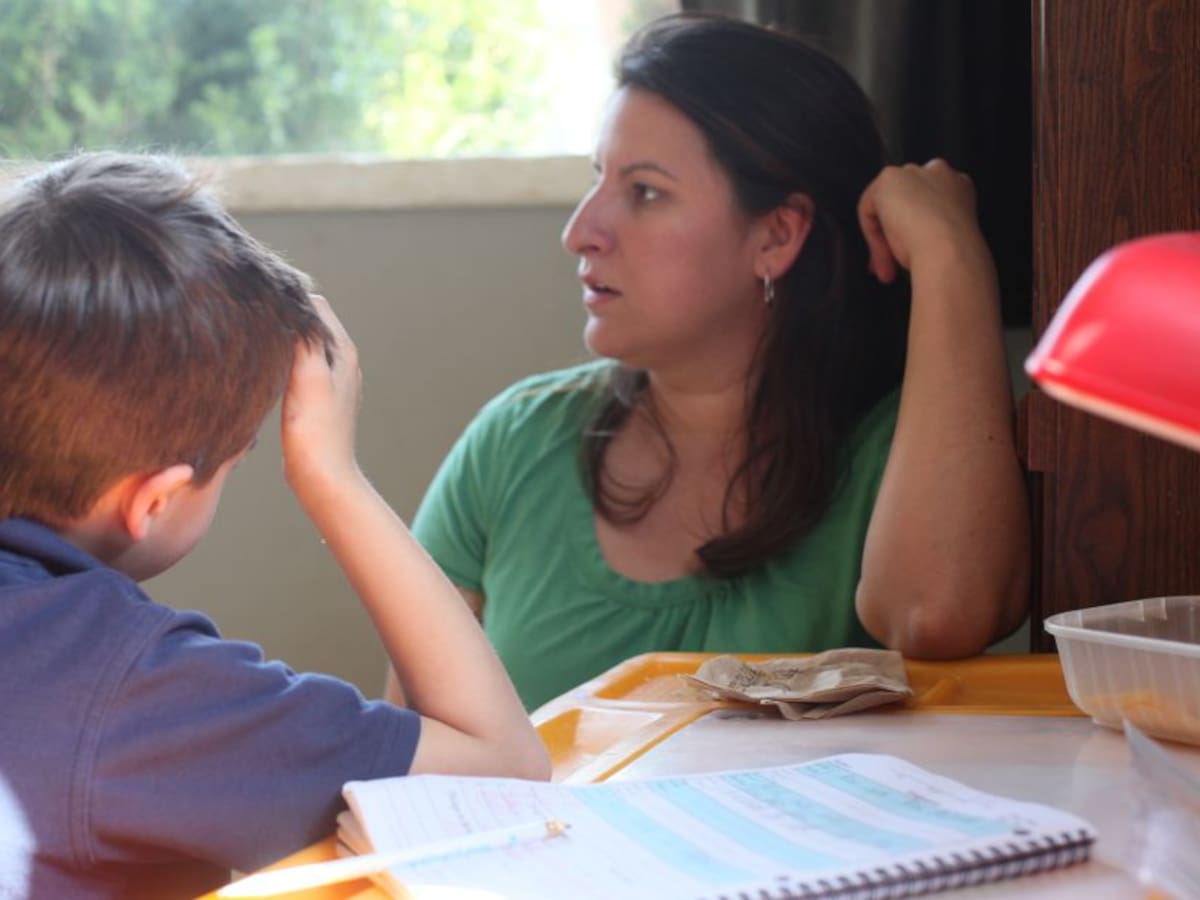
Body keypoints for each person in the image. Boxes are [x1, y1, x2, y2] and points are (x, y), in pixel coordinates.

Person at [404, 13, 1030, 712]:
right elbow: (407, 756)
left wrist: (952, 257)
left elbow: (936, 617)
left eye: (644, 192)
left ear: (777, 236)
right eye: (597, 180)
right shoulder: (514, 441)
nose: (580, 233)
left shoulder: (896, 455)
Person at [0, 152, 549, 900]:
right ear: (153, 501)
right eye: (235, 462)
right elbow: (504, 770)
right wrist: (332, 477)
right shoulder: (129, 691)